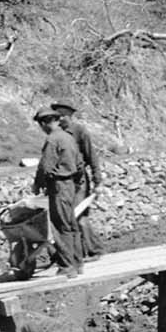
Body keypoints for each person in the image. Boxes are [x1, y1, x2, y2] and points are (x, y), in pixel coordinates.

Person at [32, 108, 83, 276]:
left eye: (41, 125)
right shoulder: (68, 137)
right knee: (71, 224)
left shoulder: (52, 140)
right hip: (70, 184)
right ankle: (77, 263)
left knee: (60, 226)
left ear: (44, 123)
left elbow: (45, 166)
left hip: (59, 185)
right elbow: (80, 163)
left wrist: (38, 184)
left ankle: (67, 267)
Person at [52, 97, 102, 260]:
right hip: (64, 182)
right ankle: (80, 252)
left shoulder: (80, 132)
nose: (59, 120)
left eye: (62, 116)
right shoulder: (56, 135)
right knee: (70, 217)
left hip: (80, 181)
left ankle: (94, 250)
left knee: (79, 216)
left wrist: (97, 181)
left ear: (70, 116)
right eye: (57, 116)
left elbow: (92, 156)